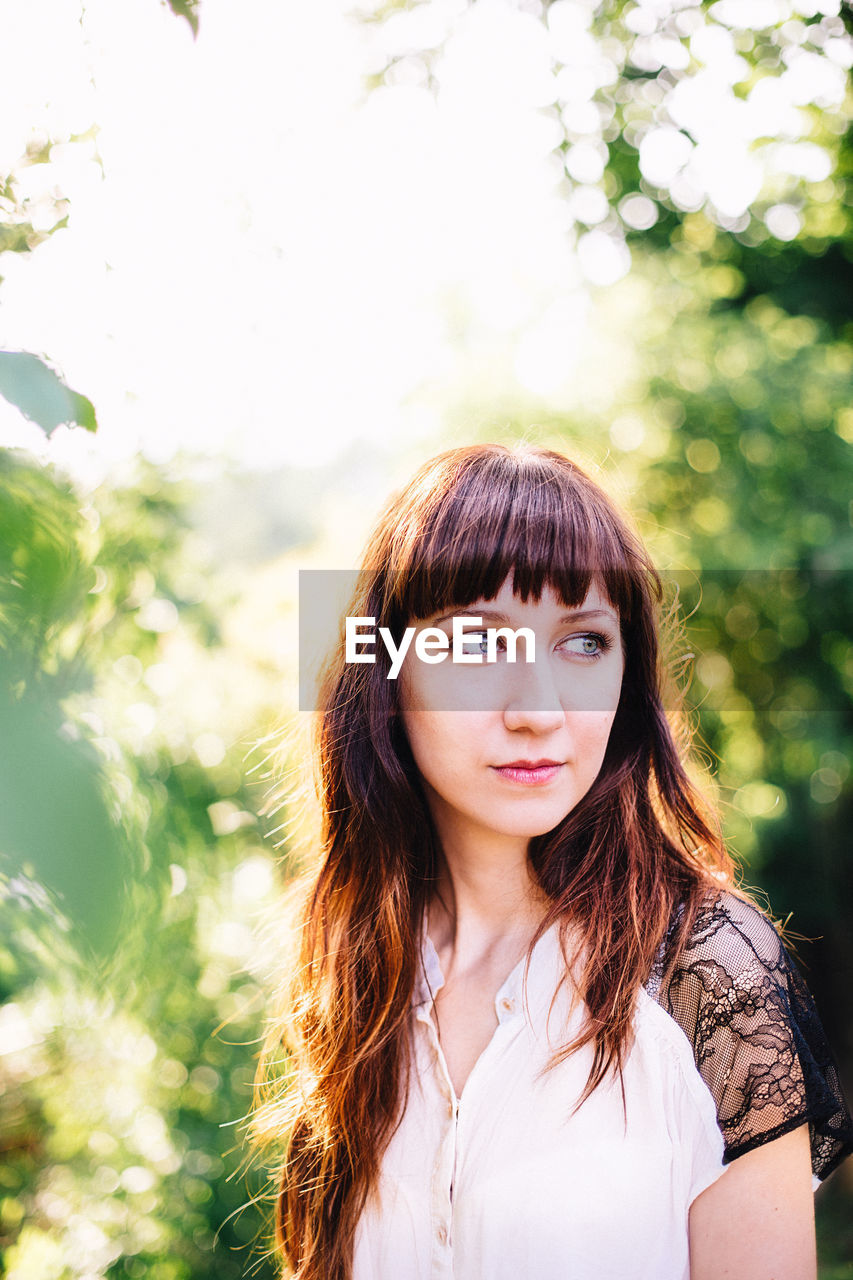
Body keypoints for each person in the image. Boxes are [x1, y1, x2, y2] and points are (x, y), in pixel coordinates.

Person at [258, 442, 852, 1280]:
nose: (537, 709)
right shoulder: (360, 962)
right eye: (476, 645)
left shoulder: (704, 967)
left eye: (581, 644)